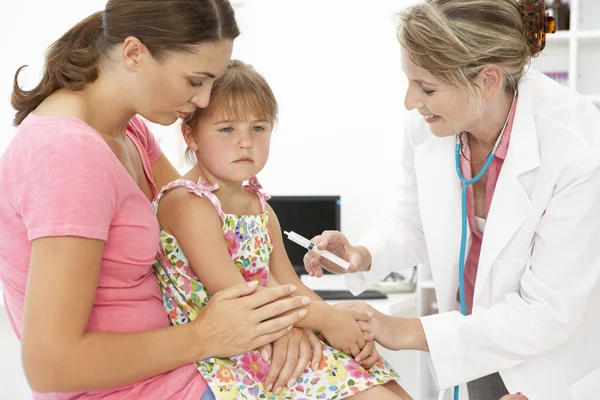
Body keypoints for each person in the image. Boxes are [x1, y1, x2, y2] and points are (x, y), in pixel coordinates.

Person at [0, 1, 311, 399]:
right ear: (133, 53)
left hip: (186, 370)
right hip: (138, 388)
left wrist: (282, 320)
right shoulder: (69, 154)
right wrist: (205, 336)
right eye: (195, 80)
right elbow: (51, 366)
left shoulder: (128, 132)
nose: (203, 100)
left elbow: (202, 218)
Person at [303, 1, 600, 400]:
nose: (410, 101)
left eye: (426, 88)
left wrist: (403, 330)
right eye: (410, 82)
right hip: (466, 341)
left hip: (551, 363)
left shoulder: (576, 145)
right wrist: (362, 253)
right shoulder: (430, 129)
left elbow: (547, 311)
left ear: (488, 81)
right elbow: (415, 221)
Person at [153, 59, 410, 400]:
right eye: (227, 129)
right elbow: (238, 296)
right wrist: (328, 320)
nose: (245, 142)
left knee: (385, 381)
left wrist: (334, 324)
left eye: (258, 128)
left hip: (275, 323)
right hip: (234, 347)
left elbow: (289, 283)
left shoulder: (260, 206)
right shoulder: (188, 203)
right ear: (191, 135)